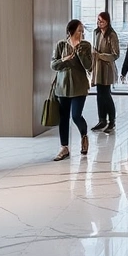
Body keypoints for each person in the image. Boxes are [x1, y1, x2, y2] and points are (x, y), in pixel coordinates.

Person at [50, 19, 94, 161]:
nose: (81, 33)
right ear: (71, 31)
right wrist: (66, 60)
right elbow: (53, 64)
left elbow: (89, 66)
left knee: (76, 115)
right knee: (64, 117)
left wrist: (80, 53)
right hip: (62, 87)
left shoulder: (86, 46)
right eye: (79, 30)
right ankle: (64, 148)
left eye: (82, 30)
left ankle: (84, 136)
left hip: (79, 86)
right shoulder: (61, 45)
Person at [90, 12, 120, 134]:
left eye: (101, 21)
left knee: (106, 94)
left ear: (107, 22)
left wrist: (100, 56)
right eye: (98, 20)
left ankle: (111, 121)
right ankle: (102, 119)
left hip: (107, 68)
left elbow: (115, 55)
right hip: (98, 67)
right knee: (99, 94)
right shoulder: (96, 33)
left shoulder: (112, 35)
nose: (99, 23)